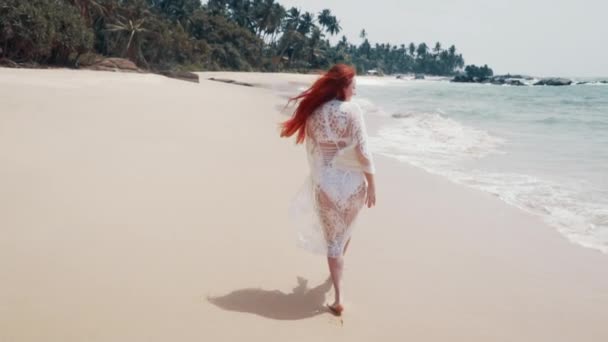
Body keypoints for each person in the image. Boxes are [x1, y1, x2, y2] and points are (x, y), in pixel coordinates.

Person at [280, 64, 376, 316]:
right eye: (353, 84)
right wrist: (372, 183)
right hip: (354, 185)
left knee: (334, 241)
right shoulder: (353, 111)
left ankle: (338, 296)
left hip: (326, 186)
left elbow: (315, 155)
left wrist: (317, 181)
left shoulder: (313, 114)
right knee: (346, 232)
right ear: (342, 86)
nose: (355, 89)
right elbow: (363, 152)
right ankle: (337, 288)